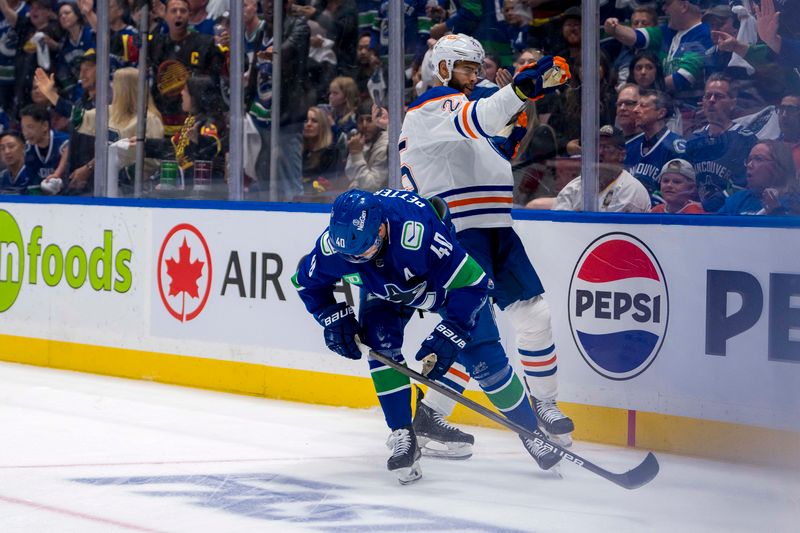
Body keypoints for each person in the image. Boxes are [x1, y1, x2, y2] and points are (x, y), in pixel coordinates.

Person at [292, 188, 562, 484]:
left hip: (444, 289)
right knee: (380, 346)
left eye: (365, 252)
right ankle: (402, 433)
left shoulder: (418, 234)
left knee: (486, 360)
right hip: (385, 292)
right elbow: (306, 283)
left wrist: (455, 329)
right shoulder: (335, 247)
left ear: (381, 228)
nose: (357, 260)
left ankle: (530, 430)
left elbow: (475, 283)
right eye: (350, 257)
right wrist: (332, 317)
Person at [399, 34, 576, 456]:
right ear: (442, 69)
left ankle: (543, 403)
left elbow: (499, 145)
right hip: (456, 236)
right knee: (479, 335)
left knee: (535, 315)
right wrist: (518, 88)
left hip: (497, 228)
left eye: (477, 69)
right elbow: (480, 119)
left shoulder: (462, 112)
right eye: (466, 68)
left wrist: (519, 104)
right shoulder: (431, 107)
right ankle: (525, 429)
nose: (474, 75)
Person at [684, 73, 757, 212]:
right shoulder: (693, 139)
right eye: (708, 96)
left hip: (729, 216)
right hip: (694, 215)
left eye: (718, 96)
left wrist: (707, 206)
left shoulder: (745, 139)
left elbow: (744, 186)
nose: (711, 100)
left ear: (733, 103)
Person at [553, 125, 651, 213]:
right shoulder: (574, 187)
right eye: (595, 147)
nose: (599, 152)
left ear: (622, 155)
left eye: (606, 147)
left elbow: (611, 231)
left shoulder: (631, 191)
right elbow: (558, 225)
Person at [625, 89, 686, 204]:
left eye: (642, 106)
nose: (635, 110)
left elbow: (677, 195)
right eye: (636, 105)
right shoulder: (630, 146)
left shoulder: (675, 148)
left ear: (661, 113)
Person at [719, 140, 800, 215]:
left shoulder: (795, 202)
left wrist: (777, 211)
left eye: (758, 159)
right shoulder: (737, 200)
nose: (749, 165)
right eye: (748, 160)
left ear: (779, 166)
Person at [20, 103, 69, 190]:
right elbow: (32, 185)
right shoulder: (28, 149)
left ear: (45, 125)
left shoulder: (64, 142)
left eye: (30, 127)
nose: (26, 133)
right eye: (23, 128)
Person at [345, 101, 388, 192]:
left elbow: (370, 187)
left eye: (369, 120)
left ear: (379, 121)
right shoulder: (361, 141)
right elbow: (350, 176)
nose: (364, 125)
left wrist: (356, 154)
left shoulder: (386, 145)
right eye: (361, 121)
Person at [300, 105, 341, 199]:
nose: (308, 124)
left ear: (323, 126)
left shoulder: (331, 152)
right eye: (306, 120)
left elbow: (327, 184)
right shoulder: (299, 153)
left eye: (314, 121)